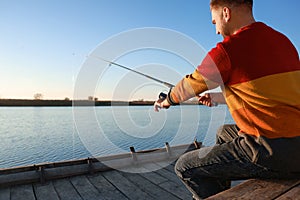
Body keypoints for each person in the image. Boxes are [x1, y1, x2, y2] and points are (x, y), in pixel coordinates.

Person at [154, 0, 300, 199]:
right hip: (296, 145)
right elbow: (264, 94)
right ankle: (226, 194)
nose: (215, 30)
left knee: (185, 167)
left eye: (214, 22)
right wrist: (216, 97)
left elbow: (191, 84)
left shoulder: (228, 50)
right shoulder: (284, 42)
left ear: (225, 13)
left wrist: (167, 100)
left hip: (271, 151)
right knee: (223, 133)